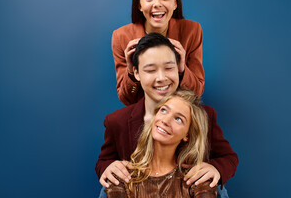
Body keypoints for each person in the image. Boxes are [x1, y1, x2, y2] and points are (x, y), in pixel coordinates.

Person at [96, 33, 238, 198]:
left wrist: (217, 169)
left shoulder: (205, 115)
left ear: (178, 68)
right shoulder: (117, 121)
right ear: (136, 73)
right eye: (150, 70)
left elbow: (228, 157)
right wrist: (107, 167)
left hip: (189, 190)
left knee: (217, 187)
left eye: (169, 68)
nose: (161, 78)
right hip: (139, 190)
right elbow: (104, 160)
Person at [112, 0, 205, 105]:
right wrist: (131, 71)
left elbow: (197, 92)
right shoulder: (121, 37)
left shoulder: (192, 31)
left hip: (179, 108)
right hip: (144, 112)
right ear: (139, 5)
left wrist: (182, 69)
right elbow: (126, 99)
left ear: (175, 3)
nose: (157, 4)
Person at [105, 90, 217, 197]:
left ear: (187, 135)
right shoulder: (122, 176)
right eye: (164, 110)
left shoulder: (197, 180)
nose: (165, 120)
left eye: (178, 119)